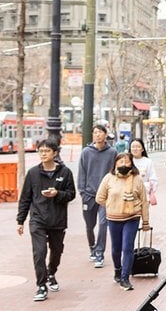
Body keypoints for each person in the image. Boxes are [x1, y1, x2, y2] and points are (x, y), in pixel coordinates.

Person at [16, 137, 76, 301]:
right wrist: (20, 221)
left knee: (56, 252)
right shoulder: (33, 173)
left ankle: (51, 273)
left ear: (55, 153)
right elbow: (25, 198)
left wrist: (58, 194)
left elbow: (71, 194)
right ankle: (41, 286)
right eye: (41, 151)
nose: (43, 154)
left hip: (57, 220)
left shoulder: (65, 172)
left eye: (47, 151)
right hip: (38, 220)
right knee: (39, 252)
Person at [96, 152, 150, 291]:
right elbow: (100, 198)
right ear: (115, 164)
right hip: (114, 218)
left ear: (131, 164)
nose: (124, 164)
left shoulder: (137, 179)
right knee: (116, 248)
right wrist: (112, 205)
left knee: (127, 247)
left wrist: (145, 221)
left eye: (127, 162)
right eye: (120, 162)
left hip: (132, 218)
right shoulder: (109, 178)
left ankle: (125, 278)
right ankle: (117, 270)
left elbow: (144, 201)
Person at [78, 123, 117, 268]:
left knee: (102, 224)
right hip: (88, 194)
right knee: (90, 225)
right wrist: (82, 192)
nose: (98, 135)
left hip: (106, 196)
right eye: (95, 132)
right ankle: (92, 247)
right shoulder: (86, 152)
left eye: (100, 132)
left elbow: (115, 172)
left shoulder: (112, 152)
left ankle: (100, 252)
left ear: (105, 135)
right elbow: (82, 173)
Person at [130, 138, 158, 206]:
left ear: (142, 149)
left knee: (144, 215)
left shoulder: (148, 161)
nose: (135, 149)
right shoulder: (127, 160)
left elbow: (153, 179)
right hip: (129, 196)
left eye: (138, 146)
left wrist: (146, 188)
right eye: (133, 147)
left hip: (144, 195)